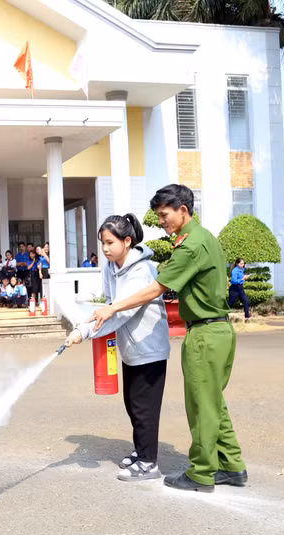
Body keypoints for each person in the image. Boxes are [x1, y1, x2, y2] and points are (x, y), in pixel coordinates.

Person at [87, 184, 246, 493]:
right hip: (216, 329)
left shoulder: (191, 245)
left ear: (182, 210)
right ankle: (232, 466)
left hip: (205, 332)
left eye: (164, 215)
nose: (160, 221)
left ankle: (201, 473)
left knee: (201, 405)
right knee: (214, 402)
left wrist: (113, 307)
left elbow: (157, 288)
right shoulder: (201, 238)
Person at [65, 214, 171, 482]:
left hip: (149, 347)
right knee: (132, 404)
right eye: (102, 243)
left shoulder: (142, 271)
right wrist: (87, 323)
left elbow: (122, 312)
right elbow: (110, 302)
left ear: (127, 241)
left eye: (110, 242)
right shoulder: (110, 267)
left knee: (145, 407)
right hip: (129, 347)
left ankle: (149, 463)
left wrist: (84, 331)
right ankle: (141, 451)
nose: (105, 249)